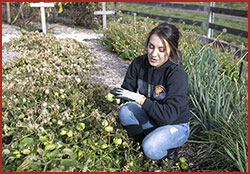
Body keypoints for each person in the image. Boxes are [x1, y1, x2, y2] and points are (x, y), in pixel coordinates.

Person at [109, 23, 190, 165]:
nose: (153, 54)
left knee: (151, 147)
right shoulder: (139, 64)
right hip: (153, 117)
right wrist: (117, 97)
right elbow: (127, 90)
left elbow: (168, 116)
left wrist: (141, 99)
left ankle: (169, 152)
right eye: (151, 47)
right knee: (125, 111)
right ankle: (142, 144)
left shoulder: (176, 74)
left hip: (175, 124)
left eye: (161, 49)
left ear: (171, 50)